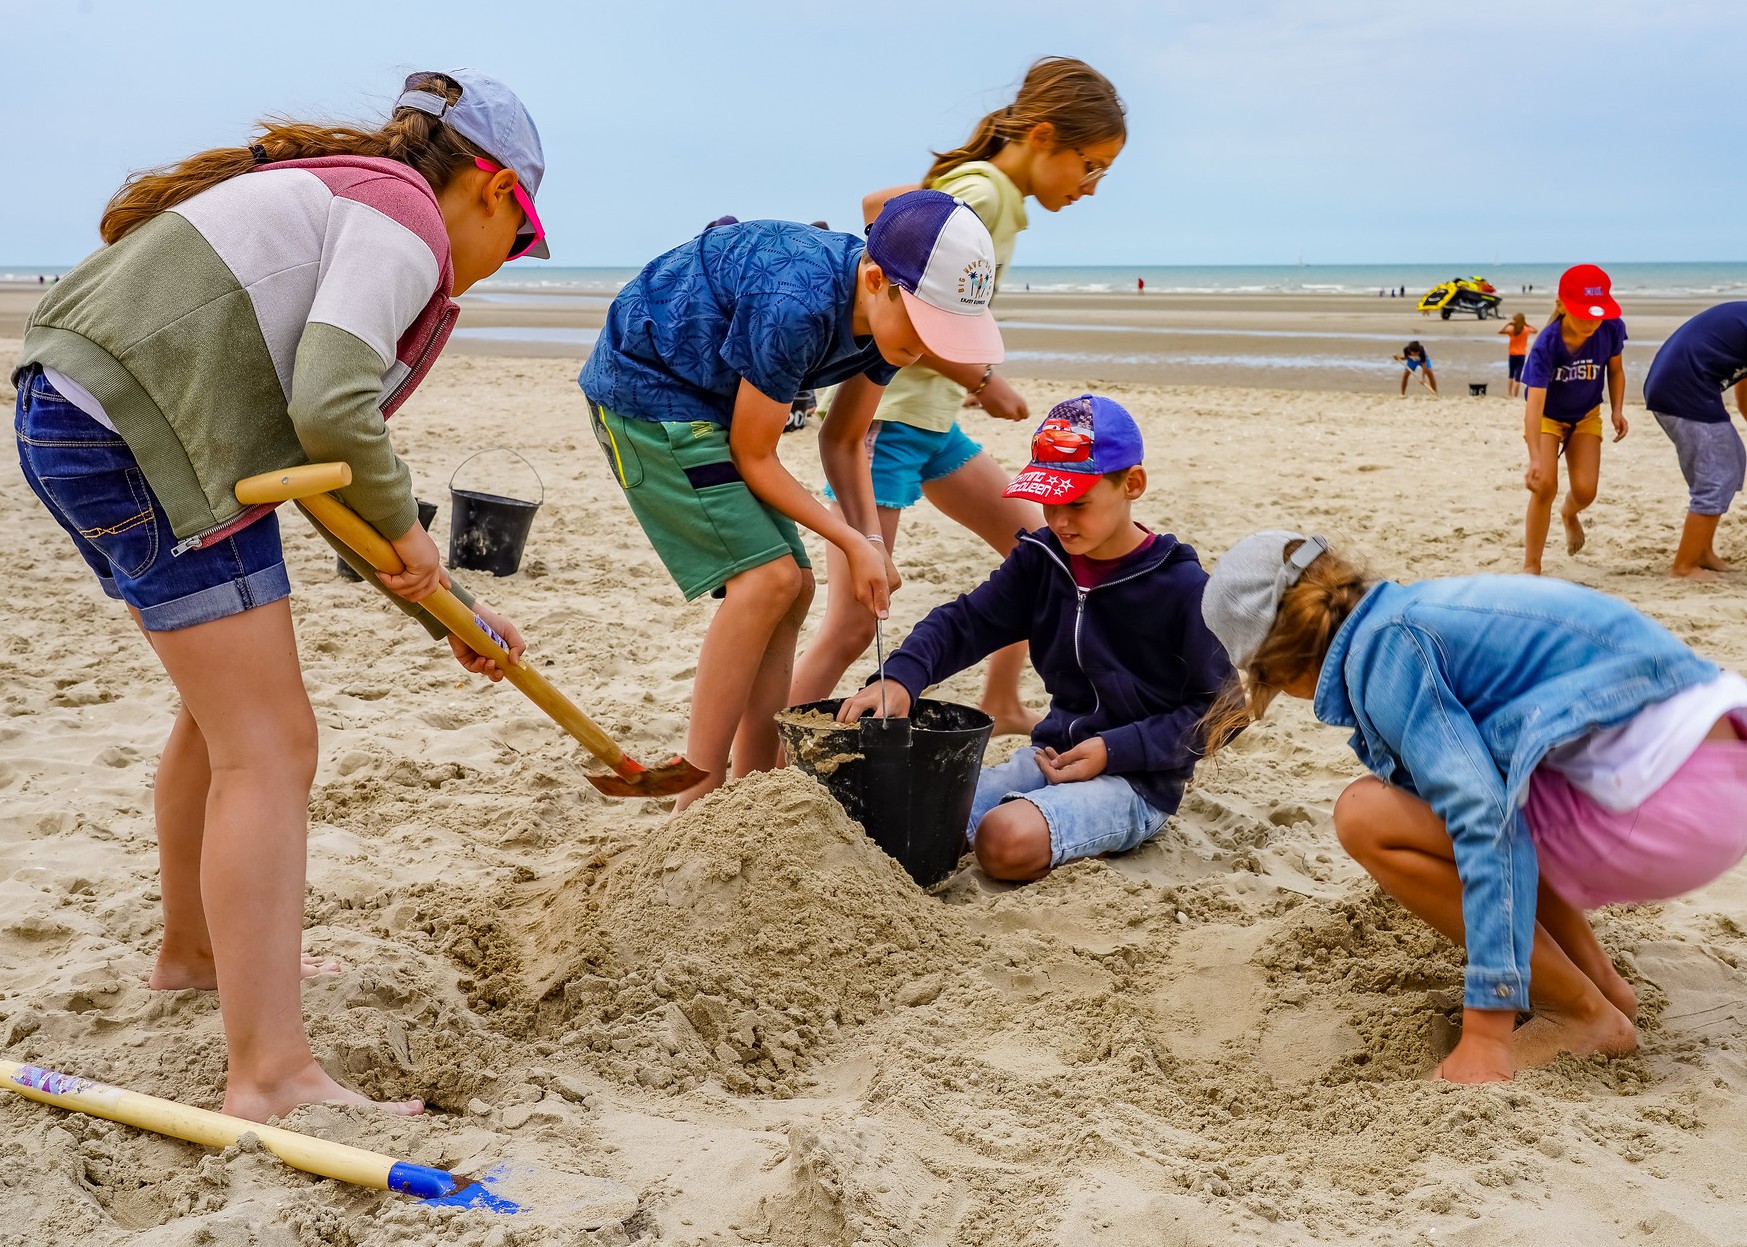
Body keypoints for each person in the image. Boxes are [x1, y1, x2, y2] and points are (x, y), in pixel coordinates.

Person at [12, 69, 543, 1121]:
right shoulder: (402, 217)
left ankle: (197, 952)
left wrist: (440, 605)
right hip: (142, 437)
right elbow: (335, 412)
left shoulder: (345, 195)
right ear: (494, 190)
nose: (505, 262)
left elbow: (318, 474)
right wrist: (413, 539)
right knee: (272, 743)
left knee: (220, 720)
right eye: (521, 239)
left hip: (82, 414)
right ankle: (269, 1075)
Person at [1199, 530, 1747, 1083]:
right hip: (1722, 772)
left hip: (1669, 806)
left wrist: (1488, 1027)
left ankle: (1579, 1016)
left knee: (1366, 815)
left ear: (1277, 663)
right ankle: (1601, 987)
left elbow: (1487, 818)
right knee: (1497, 788)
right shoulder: (1414, 613)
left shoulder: (1385, 654)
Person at [580, 190, 1004, 810]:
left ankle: (753, 793)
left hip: (715, 399)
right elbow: (755, 454)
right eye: (925, 323)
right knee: (767, 581)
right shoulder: (796, 307)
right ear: (876, 280)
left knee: (797, 587)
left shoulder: (888, 328)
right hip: (648, 391)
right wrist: (851, 541)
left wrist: (872, 543)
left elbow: (844, 440)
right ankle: (695, 793)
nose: (928, 346)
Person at [791, 57, 1126, 738]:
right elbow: (894, 247)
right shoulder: (985, 191)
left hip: (930, 425)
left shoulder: (988, 191)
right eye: (1090, 165)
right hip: (886, 423)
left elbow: (880, 210)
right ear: (1042, 136)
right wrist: (980, 378)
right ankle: (763, 761)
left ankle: (1001, 702)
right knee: (853, 622)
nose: (1092, 187)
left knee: (1037, 553)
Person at [838, 395, 1230, 882]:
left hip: (1136, 782)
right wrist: (901, 677)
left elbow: (1225, 710)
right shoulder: (1042, 560)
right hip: (1051, 756)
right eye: (1049, 500)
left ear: (1132, 484)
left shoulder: (1185, 587)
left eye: (1077, 503)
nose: (1059, 520)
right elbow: (964, 622)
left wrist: (1113, 750)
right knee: (912, 817)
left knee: (1002, 839)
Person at [1520, 264, 1628, 573]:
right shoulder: (1547, 345)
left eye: (1597, 315)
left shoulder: (1611, 328)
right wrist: (1535, 457)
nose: (1592, 322)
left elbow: (1616, 371)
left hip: (1586, 415)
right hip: (1548, 418)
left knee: (1585, 491)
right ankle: (1532, 566)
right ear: (1561, 306)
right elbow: (1534, 407)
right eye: (1584, 315)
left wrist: (1616, 409)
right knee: (1545, 486)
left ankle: (1569, 513)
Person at [1643, 302, 1747, 580]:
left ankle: (1702, 552)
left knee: (1733, 461)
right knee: (1716, 477)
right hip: (1681, 389)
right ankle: (1684, 566)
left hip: (1684, 385)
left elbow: (1744, 389)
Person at [1498, 311, 1537, 398]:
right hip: (1521, 355)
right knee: (1518, 377)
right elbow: (1535, 330)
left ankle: (1509, 394)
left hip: (1512, 354)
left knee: (1511, 375)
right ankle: (1515, 395)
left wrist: (1508, 324)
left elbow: (1500, 331)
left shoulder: (1512, 330)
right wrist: (1526, 324)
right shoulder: (1526, 330)